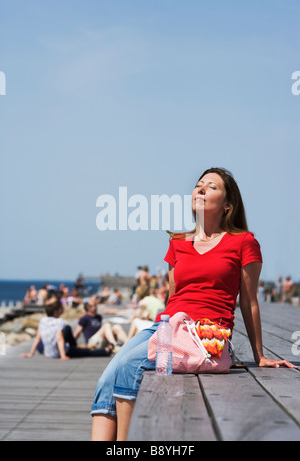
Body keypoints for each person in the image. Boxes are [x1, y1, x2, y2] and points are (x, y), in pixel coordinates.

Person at [90, 167, 297, 442]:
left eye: (211, 186)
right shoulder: (177, 242)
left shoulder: (244, 242)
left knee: (129, 367)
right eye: (199, 184)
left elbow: (248, 301)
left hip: (204, 334)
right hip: (166, 327)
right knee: (106, 379)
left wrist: (259, 356)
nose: (200, 189)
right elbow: (173, 297)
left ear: (227, 206)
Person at [20, 295, 112, 360]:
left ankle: (74, 346)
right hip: (59, 352)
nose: (62, 310)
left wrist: (31, 353)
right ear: (56, 311)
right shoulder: (60, 322)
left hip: (48, 353)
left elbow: (37, 338)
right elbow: (60, 338)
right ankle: (106, 351)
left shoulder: (43, 320)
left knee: (43, 342)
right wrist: (63, 355)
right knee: (86, 352)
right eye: (61, 309)